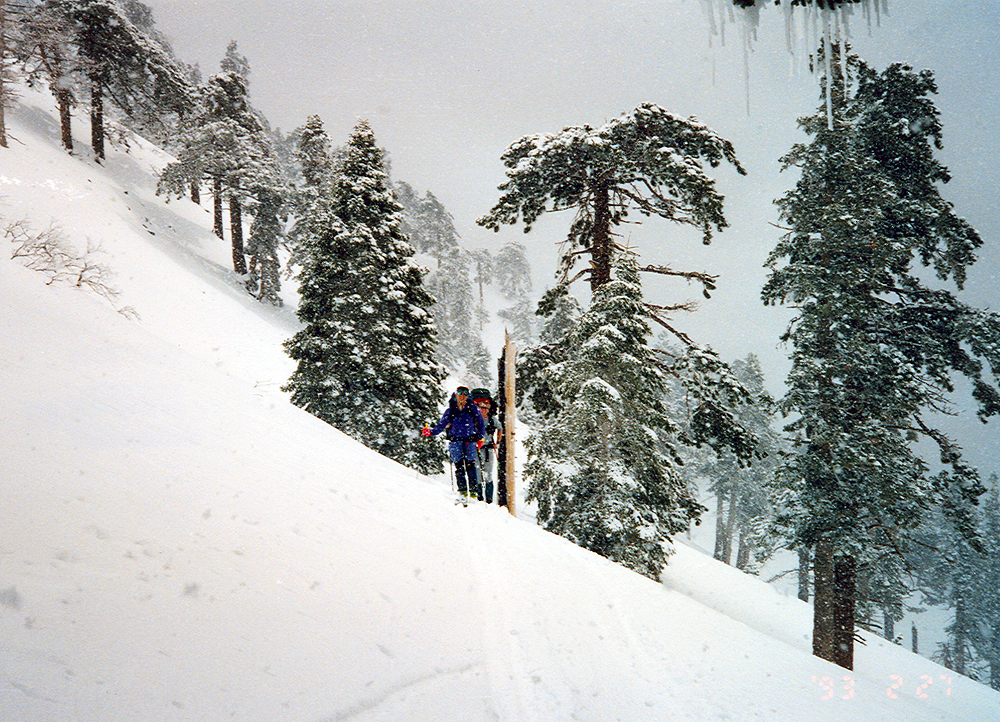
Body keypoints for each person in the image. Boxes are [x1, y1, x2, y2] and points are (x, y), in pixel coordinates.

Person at [423, 386, 485, 499]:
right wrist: (431, 432)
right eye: (460, 394)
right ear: (456, 395)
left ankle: (472, 492)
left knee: (469, 466)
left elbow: (481, 424)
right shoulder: (451, 410)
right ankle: (463, 491)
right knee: (460, 466)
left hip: (468, 440)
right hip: (458, 441)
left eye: (465, 394)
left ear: (468, 396)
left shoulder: (472, 409)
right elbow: (441, 425)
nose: (462, 396)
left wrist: (480, 437)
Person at [471, 388, 503, 503]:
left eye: (486, 407)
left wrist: (497, 442)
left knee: (488, 474)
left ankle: (488, 499)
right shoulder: (473, 419)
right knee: (478, 473)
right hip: (476, 448)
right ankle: (479, 498)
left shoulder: (492, 420)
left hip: (488, 448)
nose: (484, 410)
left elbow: (500, 429)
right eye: (481, 407)